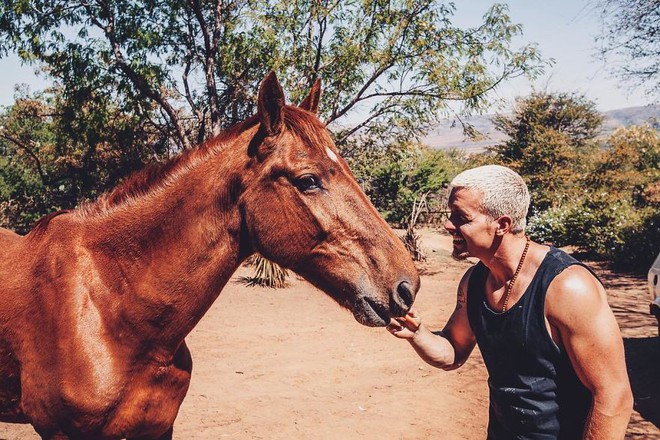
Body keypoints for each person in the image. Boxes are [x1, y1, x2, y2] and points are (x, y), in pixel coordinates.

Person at [387, 165, 633, 439]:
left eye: (461, 217)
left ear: (502, 225)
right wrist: (417, 334)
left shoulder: (567, 287)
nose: (448, 225)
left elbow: (614, 397)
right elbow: (453, 352)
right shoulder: (475, 281)